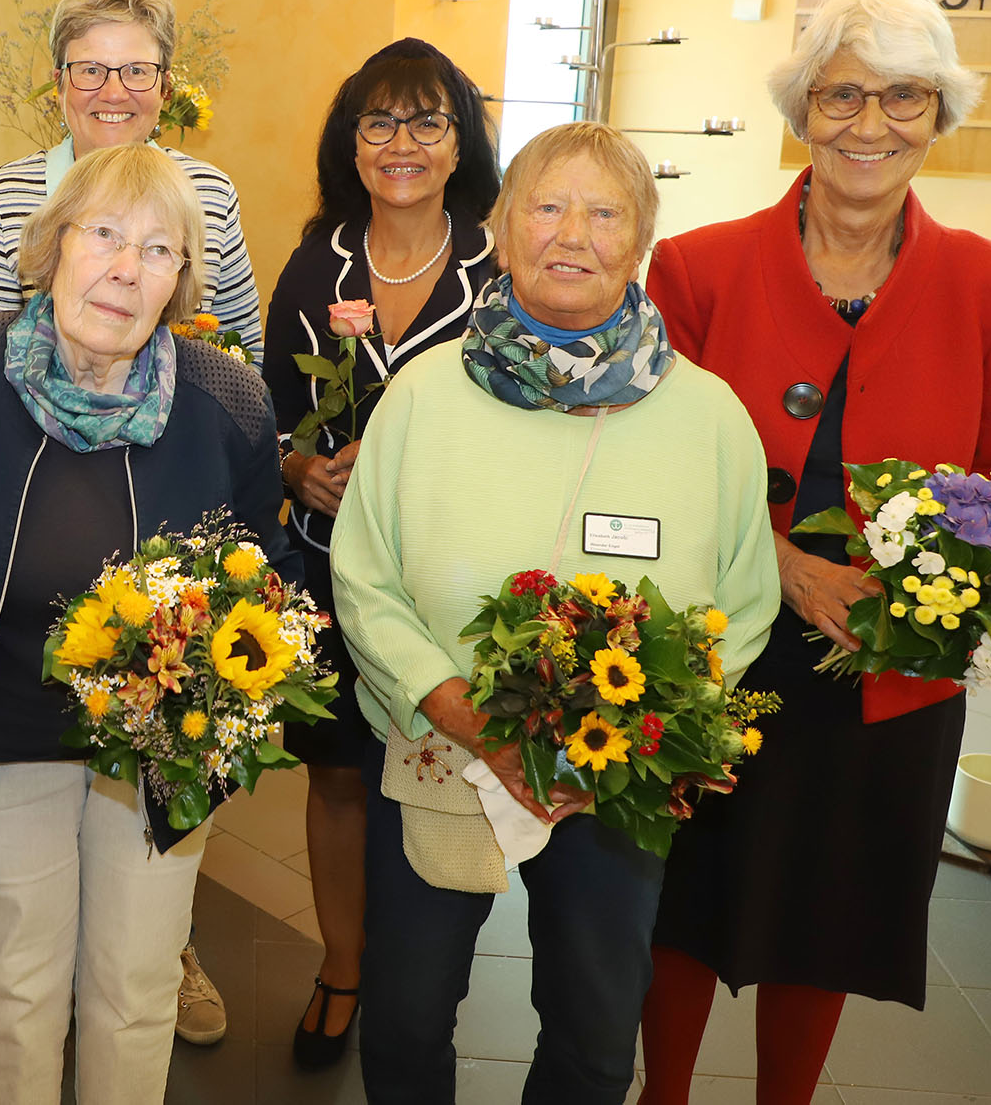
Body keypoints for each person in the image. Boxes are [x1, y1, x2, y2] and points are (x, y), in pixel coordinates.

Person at [637, 0, 991, 1104]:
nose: (869, 125)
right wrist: (776, 559)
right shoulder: (695, 270)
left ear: (937, 116)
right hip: (717, 648)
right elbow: (645, 467)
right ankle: (660, 1093)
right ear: (800, 110)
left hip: (883, 678)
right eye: (840, 95)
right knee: (682, 895)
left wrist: (939, 582)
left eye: (901, 97)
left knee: (824, 918)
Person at [331, 121, 781, 1103]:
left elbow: (744, 599)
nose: (570, 232)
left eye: (603, 210)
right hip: (438, 742)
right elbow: (363, 574)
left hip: (613, 774)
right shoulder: (421, 396)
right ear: (499, 227)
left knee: (591, 1024)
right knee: (404, 1016)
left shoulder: (706, 417)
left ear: (641, 238)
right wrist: (455, 704)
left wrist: (631, 728)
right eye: (544, 205)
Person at [0, 142, 299, 1103]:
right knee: (10, 986)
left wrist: (230, 705)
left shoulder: (228, 402)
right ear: (52, 243)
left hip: (160, 753)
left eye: (158, 250)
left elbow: (271, 581)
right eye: (101, 234)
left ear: (182, 281)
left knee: (136, 987)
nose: (123, 267)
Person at [262, 36, 498, 1068]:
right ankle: (342, 964)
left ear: (458, 144)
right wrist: (292, 471)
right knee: (337, 778)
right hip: (325, 569)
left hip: (449, 584)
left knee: (436, 767)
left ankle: (419, 976)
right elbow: (266, 408)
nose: (399, 143)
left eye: (425, 121)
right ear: (349, 141)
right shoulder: (318, 261)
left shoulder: (502, 270)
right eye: (377, 122)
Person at [0, 0, 264, 377]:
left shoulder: (210, 193)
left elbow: (243, 360)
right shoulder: (4, 194)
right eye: (91, 70)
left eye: (136, 71)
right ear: (59, 86)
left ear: (164, 88)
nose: (114, 93)